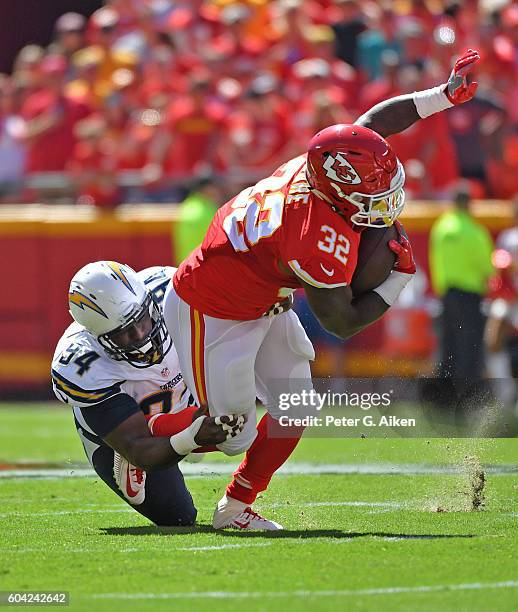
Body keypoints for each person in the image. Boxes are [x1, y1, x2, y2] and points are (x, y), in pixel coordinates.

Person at [163, 50, 480, 530]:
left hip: (265, 298)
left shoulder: (326, 160)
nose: (386, 202)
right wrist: (397, 278)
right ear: (339, 194)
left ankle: (235, 506)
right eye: (372, 195)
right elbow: (342, 321)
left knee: (296, 408)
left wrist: (444, 95)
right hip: (212, 307)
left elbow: (373, 122)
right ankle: (134, 440)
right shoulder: (313, 234)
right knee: (230, 432)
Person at [51, 262, 245, 527]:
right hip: (130, 430)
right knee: (177, 516)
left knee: (239, 426)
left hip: (182, 394)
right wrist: (191, 437)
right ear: (99, 338)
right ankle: (130, 461)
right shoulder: (81, 363)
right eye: (124, 334)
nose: (141, 336)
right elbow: (138, 448)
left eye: (141, 320)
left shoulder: (169, 288)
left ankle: (187, 424)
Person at [429, 183, 494, 380]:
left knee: (447, 345)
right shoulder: (475, 232)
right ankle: (465, 397)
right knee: (470, 347)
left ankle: (443, 399)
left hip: (447, 294)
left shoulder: (441, 228)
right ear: (470, 204)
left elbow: (435, 260)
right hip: (470, 296)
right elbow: (488, 268)